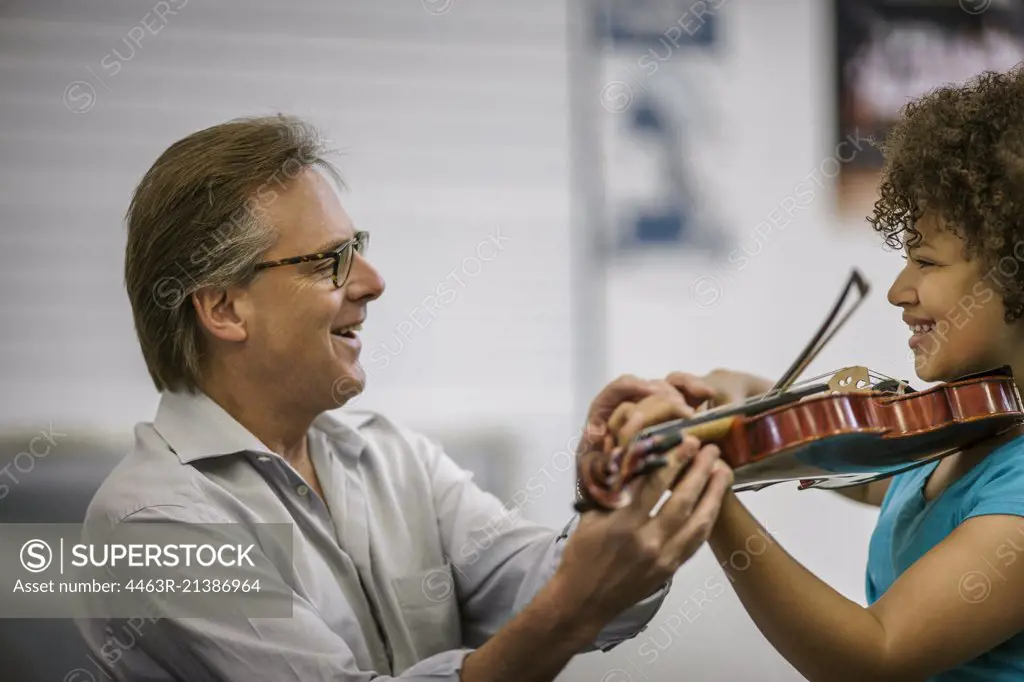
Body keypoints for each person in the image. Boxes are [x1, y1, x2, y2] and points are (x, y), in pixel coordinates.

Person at [72, 114, 734, 682]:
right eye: (330, 261)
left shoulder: (389, 455)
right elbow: (568, 605)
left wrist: (613, 485)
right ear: (222, 308)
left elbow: (582, 596)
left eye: (357, 249)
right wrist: (567, 611)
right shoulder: (150, 523)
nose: (373, 282)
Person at [656, 66, 1024, 681]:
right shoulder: (959, 435)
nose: (898, 291)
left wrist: (712, 500)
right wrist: (743, 397)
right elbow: (855, 471)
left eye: (925, 262)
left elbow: (874, 655)